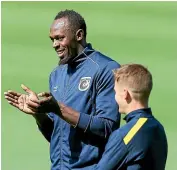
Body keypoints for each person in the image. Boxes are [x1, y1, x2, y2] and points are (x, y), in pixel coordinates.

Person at [4, 10, 121, 170]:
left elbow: (107, 128)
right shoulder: (56, 75)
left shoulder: (105, 69)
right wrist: (39, 113)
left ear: (79, 35)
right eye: (52, 39)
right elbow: (56, 136)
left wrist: (58, 109)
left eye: (60, 38)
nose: (54, 45)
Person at [94, 64, 168, 170]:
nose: (114, 97)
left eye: (115, 92)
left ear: (125, 94)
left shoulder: (125, 135)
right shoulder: (158, 128)